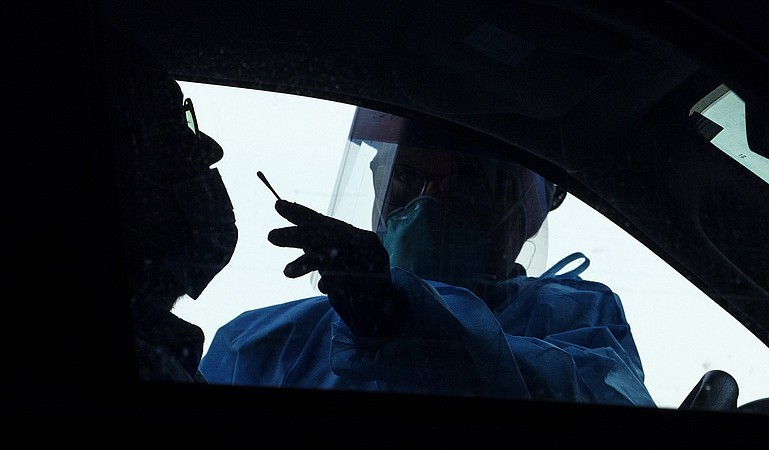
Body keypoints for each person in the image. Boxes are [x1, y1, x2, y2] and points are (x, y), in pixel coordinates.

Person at [200, 108, 654, 406]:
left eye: (468, 183)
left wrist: (403, 321)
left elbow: (599, 398)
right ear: (377, 183)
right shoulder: (260, 343)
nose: (428, 206)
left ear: (524, 215)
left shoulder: (577, 315)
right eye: (405, 179)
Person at [100, 26, 238, 382]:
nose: (209, 150)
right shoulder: (146, 370)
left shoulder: (166, 356)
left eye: (185, 119)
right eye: (170, 124)